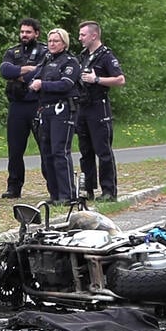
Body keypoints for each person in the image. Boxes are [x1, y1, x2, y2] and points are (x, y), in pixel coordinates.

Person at [28, 28, 81, 204]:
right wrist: (36, 84)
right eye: (50, 41)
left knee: (60, 151)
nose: (51, 44)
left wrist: (43, 84)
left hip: (62, 109)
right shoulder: (46, 60)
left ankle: (67, 195)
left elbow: (66, 84)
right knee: (47, 152)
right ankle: (54, 193)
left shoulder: (70, 62)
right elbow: (34, 79)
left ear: (64, 43)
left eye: (56, 41)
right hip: (45, 109)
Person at [0, 18, 48, 199]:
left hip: (37, 104)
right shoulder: (13, 51)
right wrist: (26, 69)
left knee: (45, 146)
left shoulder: (45, 51)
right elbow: (4, 70)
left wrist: (20, 74)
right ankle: (14, 187)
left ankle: (53, 184)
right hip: (17, 105)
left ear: (36, 33)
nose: (24, 35)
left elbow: (41, 72)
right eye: (22, 32)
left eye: (28, 32)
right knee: (15, 149)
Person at [76, 21, 125, 201]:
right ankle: (88, 188)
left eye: (83, 35)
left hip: (98, 106)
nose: (80, 38)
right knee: (85, 150)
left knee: (102, 150)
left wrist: (97, 79)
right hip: (83, 105)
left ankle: (109, 191)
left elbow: (120, 80)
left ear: (94, 35)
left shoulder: (106, 56)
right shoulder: (83, 56)